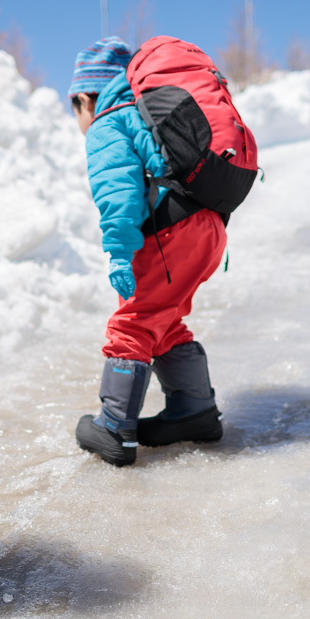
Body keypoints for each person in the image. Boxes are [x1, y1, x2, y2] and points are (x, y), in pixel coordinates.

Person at [69, 37, 228, 467]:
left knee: (135, 319)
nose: (79, 120)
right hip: (208, 226)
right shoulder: (150, 115)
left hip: (170, 233)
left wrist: (120, 253)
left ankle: (114, 425)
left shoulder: (108, 121)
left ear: (86, 98)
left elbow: (119, 196)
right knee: (164, 315)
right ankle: (194, 409)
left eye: (75, 109)